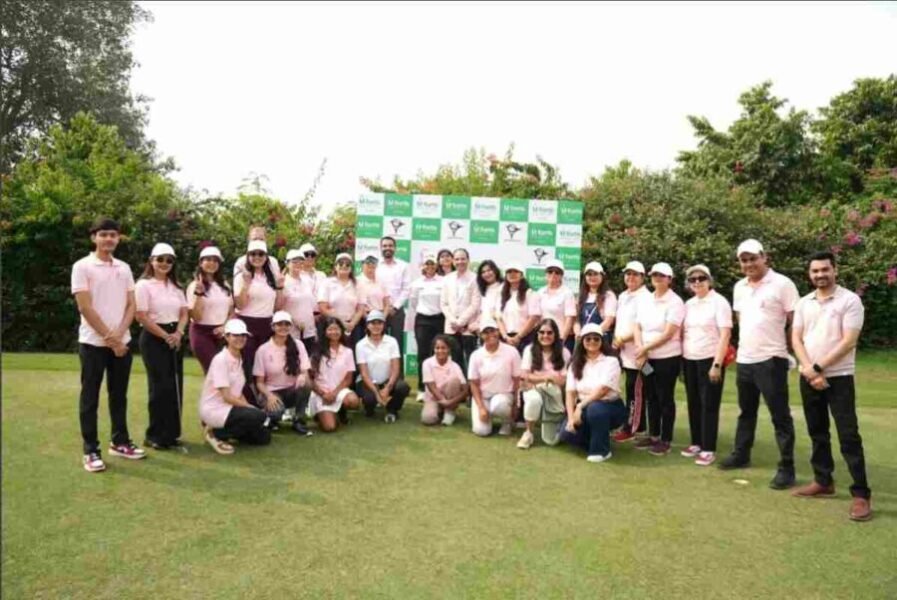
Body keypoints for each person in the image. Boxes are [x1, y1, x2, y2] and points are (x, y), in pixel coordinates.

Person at [791, 251, 871, 521]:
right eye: (815, 271)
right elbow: (796, 338)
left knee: (848, 435)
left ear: (835, 270)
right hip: (808, 376)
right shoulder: (804, 303)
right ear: (809, 274)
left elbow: (848, 341)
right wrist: (808, 369)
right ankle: (823, 481)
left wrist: (817, 368)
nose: (820, 275)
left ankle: (861, 494)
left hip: (839, 377)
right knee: (817, 432)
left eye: (825, 269)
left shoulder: (850, 300)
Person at [720, 239, 800, 491]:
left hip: (772, 359)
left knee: (780, 416)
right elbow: (742, 320)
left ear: (764, 257)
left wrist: (787, 349)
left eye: (753, 258)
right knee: (746, 411)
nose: (749, 264)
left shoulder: (782, 284)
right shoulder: (739, 287)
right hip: (745, 359)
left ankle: (787, 467)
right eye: (744, 260)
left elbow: (796, 321)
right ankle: (741, 454)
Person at [71, 217, 145, 472]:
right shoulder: (82, 266)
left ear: (118, 238)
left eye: (113, 235)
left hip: (122, 344)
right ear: (94, 237)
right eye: (103, 234)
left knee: (119, 395)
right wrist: (110, 338)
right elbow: (84, 307)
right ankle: (91, 450)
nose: (109, 239)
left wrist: (119, 336)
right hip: (93, 343)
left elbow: (131, 304)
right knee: (90, 397)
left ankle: (120, 442)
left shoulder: (124, 268)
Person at [135, 243, 189, 451]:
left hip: (175, 336)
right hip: (153, 338)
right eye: (160, 259)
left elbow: (184, 313)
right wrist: (166, 336)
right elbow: (141, 316)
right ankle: (155, 435)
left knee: (175, 385)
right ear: (151, 261)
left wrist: (178, 333)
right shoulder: (143, 285)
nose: (164, 263)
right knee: (160, 387)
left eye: (169, 260)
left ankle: (171, 434)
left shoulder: (176, 287)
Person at [681, 264, 733, 466]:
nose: (697, 282)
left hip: (710, 359)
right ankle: (697, 442)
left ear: (709, 280)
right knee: (693, 402)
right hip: (689, 359)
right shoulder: (689, 304)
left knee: (709, 404)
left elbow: (725, 335)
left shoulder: (719, 302)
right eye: (692, 279)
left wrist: (717, 364)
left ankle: (708, 448)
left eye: (701, 278)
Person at [633, 262, 685, 456]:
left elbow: (668, 333)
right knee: (651, 395)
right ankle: (653, 435)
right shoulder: (646, 299)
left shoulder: (675, 302)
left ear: (669, 279)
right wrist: (641, 349)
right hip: (647, 359)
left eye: (662, 276)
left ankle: (666, 439)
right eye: (655, 275)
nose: (657, 278)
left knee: (665, 397)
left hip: (667, 358)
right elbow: (637, 326)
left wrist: (643, 349)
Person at [200, 319, 272, 455]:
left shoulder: (240, 358)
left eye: (243, 335)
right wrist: (249, 408)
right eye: (235, 335)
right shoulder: (221, 359)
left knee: (264, 437)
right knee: (258, 416)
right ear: (227, 337)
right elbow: (226, 396)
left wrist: (249, 411)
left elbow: (238, 391)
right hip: (215, 409)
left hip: (230, 408)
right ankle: (214, 433)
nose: (240, 338)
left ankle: (232, 432)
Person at [559, 324, 625, 463]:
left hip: (609, 406)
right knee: (566, 434)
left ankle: (601, 451)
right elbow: (570, 393)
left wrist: (580, 406)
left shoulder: (611, 361)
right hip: (585, 407)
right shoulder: (575, 364)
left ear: (602, 341)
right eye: (588, 339)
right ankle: (598, 438)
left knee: (595, 409)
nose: (592, 341)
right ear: (582, 341)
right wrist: (571, 418)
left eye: (596, 338)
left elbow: (602, 390)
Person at [253, 311, 314, 436]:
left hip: (291, 390)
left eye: (287, 324)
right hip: (271, 391)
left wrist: (303, 376)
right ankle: (271, 419)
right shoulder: (263, 350)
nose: (283, 327)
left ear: (291, 326)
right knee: (276, 413)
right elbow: (259, 382)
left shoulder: (298, 345)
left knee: (307, 383)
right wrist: (269, 396)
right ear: (273, 327)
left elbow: (305, 370)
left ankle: (299, 420)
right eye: (279, 324)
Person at [611, 261, 652, 443]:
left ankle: (634, 428)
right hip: (624, 353)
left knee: (637, 392)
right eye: (628, 274)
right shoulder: (623, 296)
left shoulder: (646, 297)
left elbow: (641, 326)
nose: (631, 277)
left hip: (639, 353)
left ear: (642, 277)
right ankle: (634, 425)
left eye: (635, 274)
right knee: (631, 389)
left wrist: (622, 339)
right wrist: (617, 339)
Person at [517, 318, 571, 449]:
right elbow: (524, 376)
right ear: (537, 334)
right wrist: (547, 378)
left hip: (554, 395)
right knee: (534, 399)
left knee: (551, 441)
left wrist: (537, 379)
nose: (545, 336)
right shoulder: (529, 350)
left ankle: (556, 421)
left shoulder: (564, 352)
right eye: (542, 332)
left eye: (549, 333)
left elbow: (563, 380)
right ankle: (528, 433)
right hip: (532, 390)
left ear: (555, 334)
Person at [467, 319, 522, 437]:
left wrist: (515, 405)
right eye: (486, 332)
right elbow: (473, 384)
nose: (490, 335)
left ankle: (507, 422)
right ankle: (488, 418)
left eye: (492, 331)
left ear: (498, 331)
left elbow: (517, 380)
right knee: (481, 431)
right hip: (483, 397)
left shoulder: (512, 352)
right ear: (481, 335)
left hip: (504, 396)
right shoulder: (476, 355)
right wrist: (481, 408)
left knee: (499, 406)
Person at [355, 311, 410, 423]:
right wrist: (376, 393)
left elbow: (396, 368)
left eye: (379, 323)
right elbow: (364, 374)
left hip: (387, 381)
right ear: (367, 325)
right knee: (370, 399)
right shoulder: (360, 345)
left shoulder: (392, 341)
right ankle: (370, 408)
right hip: (368, 382)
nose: (376, 326)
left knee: (402, 387)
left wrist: (388, 388)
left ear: (384, 325)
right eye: (373, 323)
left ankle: (392, 409)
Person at [308, 317, 361, 432]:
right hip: (321, 393)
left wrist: (334, 393)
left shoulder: (347, 351)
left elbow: (348, 379)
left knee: (354, 401)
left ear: (341, 331)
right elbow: (310, 379)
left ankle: (340, 411)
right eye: (330, 329)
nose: (334, 332)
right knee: (330, 427)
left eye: (337, 329)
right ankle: (322, 415)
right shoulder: (316, 351)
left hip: (339, 391)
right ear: (324, 332)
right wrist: (323, 394)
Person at [186, 246, 234, 374]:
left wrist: (225, 326)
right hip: (201, 333)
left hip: (222, 334)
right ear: (201, 263)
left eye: (215, 260)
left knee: (222, 373)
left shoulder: (224, 286)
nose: (212, 263)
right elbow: (196, 317)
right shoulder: (194, 286)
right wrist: (199, 294)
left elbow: (232, 311)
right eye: (208, 259)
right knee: (215, 372)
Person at [409, 252, 445, 401]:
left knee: (439, 353)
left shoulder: (443, 281)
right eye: (427, 264)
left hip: (439, 320)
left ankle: (438, 387)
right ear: (423, 266)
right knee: (423, 355)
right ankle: (422, 389)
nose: (429, 266)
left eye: (432, 263)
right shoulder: (417, 283)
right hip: (423, 320)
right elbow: (413, 303)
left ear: (436, 265)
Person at [440, 248, 480, 371]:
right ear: (453, 261)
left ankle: (471, 383)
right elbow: (444, 304)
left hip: (468, 327)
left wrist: (461, 322)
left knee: (471, 359)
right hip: (451, 327)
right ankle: (458, 383)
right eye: (457, 259)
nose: (460, 262)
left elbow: (475, 304)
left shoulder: (475, 278)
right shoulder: (447, 279)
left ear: (468, 260)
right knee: (454, 360)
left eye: (463, 259)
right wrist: (453, 321)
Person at [375, 236, 412, 369]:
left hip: (397, 311)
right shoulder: (375, 266)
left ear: (395, 248)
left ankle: (398, 376)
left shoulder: (403, 266)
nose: (388, 248)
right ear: (381, 248)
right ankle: (381, 374)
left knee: (397, 344)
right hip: (378, 311)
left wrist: (395, 307)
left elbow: (407, 289)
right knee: (379, 343)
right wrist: (384, 308)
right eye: (385, 246)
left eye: (390, 246)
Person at [420, 335, 469, 426]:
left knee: (454, 380)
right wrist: (443, 401)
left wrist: (451, 402)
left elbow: (465, 390)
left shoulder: (455, 366)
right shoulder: (427, 363)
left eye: (443, 348)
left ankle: (450, 411)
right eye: (437, 348)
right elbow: (431, 386)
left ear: (449, 349)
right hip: (433, 398)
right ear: (434, 349)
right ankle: (440, 409)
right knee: (428, 419)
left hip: (450, 399)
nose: (440, 351)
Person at [317, 252, 365, 346]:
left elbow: (360, 308)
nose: (344, 266)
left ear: (351, 268)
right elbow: (322, 307)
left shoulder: (358, 284)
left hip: (352, 326)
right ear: (335, 266)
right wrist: (341, 321)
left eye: (347, 264)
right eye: (341, 263)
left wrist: (352, 323)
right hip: (332, 326)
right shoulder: (327, 283)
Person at [496, 262, 541, 354]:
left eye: (516, 271)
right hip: (506, 339)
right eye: (509, 272)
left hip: (526, 338)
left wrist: (519, 337)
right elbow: (499, 318)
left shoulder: (530, 293)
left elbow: (534, 317)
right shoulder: (502, 294)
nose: (512, 274)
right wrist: (505, 337)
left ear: (522, 275)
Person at [283, 248, 319, 358]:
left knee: (309, 361)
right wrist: (294, 321)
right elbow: (279, 307)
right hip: (291, 331)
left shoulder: (308, 281)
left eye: (300, 262)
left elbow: (312, 305)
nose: (298, 264)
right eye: (294, 262)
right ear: (287, 263)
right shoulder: (283, 282)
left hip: (309, 331)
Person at [574, 261, 617, 350]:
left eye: (595, 274)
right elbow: (576, 320)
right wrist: (578, 334)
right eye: (589, 274)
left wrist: (592, 335)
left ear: (602, 276)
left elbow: (609, 320)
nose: (592, 277)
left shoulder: (608, 295)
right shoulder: (581, 296)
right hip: (583, 341)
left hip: (601, 339)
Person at [537, 259, 577, 352]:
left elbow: (569, 319)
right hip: (543, 338)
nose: (553, 274)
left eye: (557, 272)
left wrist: (562, 339)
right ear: (545, 274)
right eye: (550, 271)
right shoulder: (540, 292)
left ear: (561, 276)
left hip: (561, 338)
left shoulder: (567, 293)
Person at [298, 242, 329, 326]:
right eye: (306, 254)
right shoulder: (297, 275)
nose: (310, 257)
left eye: (313, 255)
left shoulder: (322, 275)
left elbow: (327, 296)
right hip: (303, 317)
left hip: (322, 316)